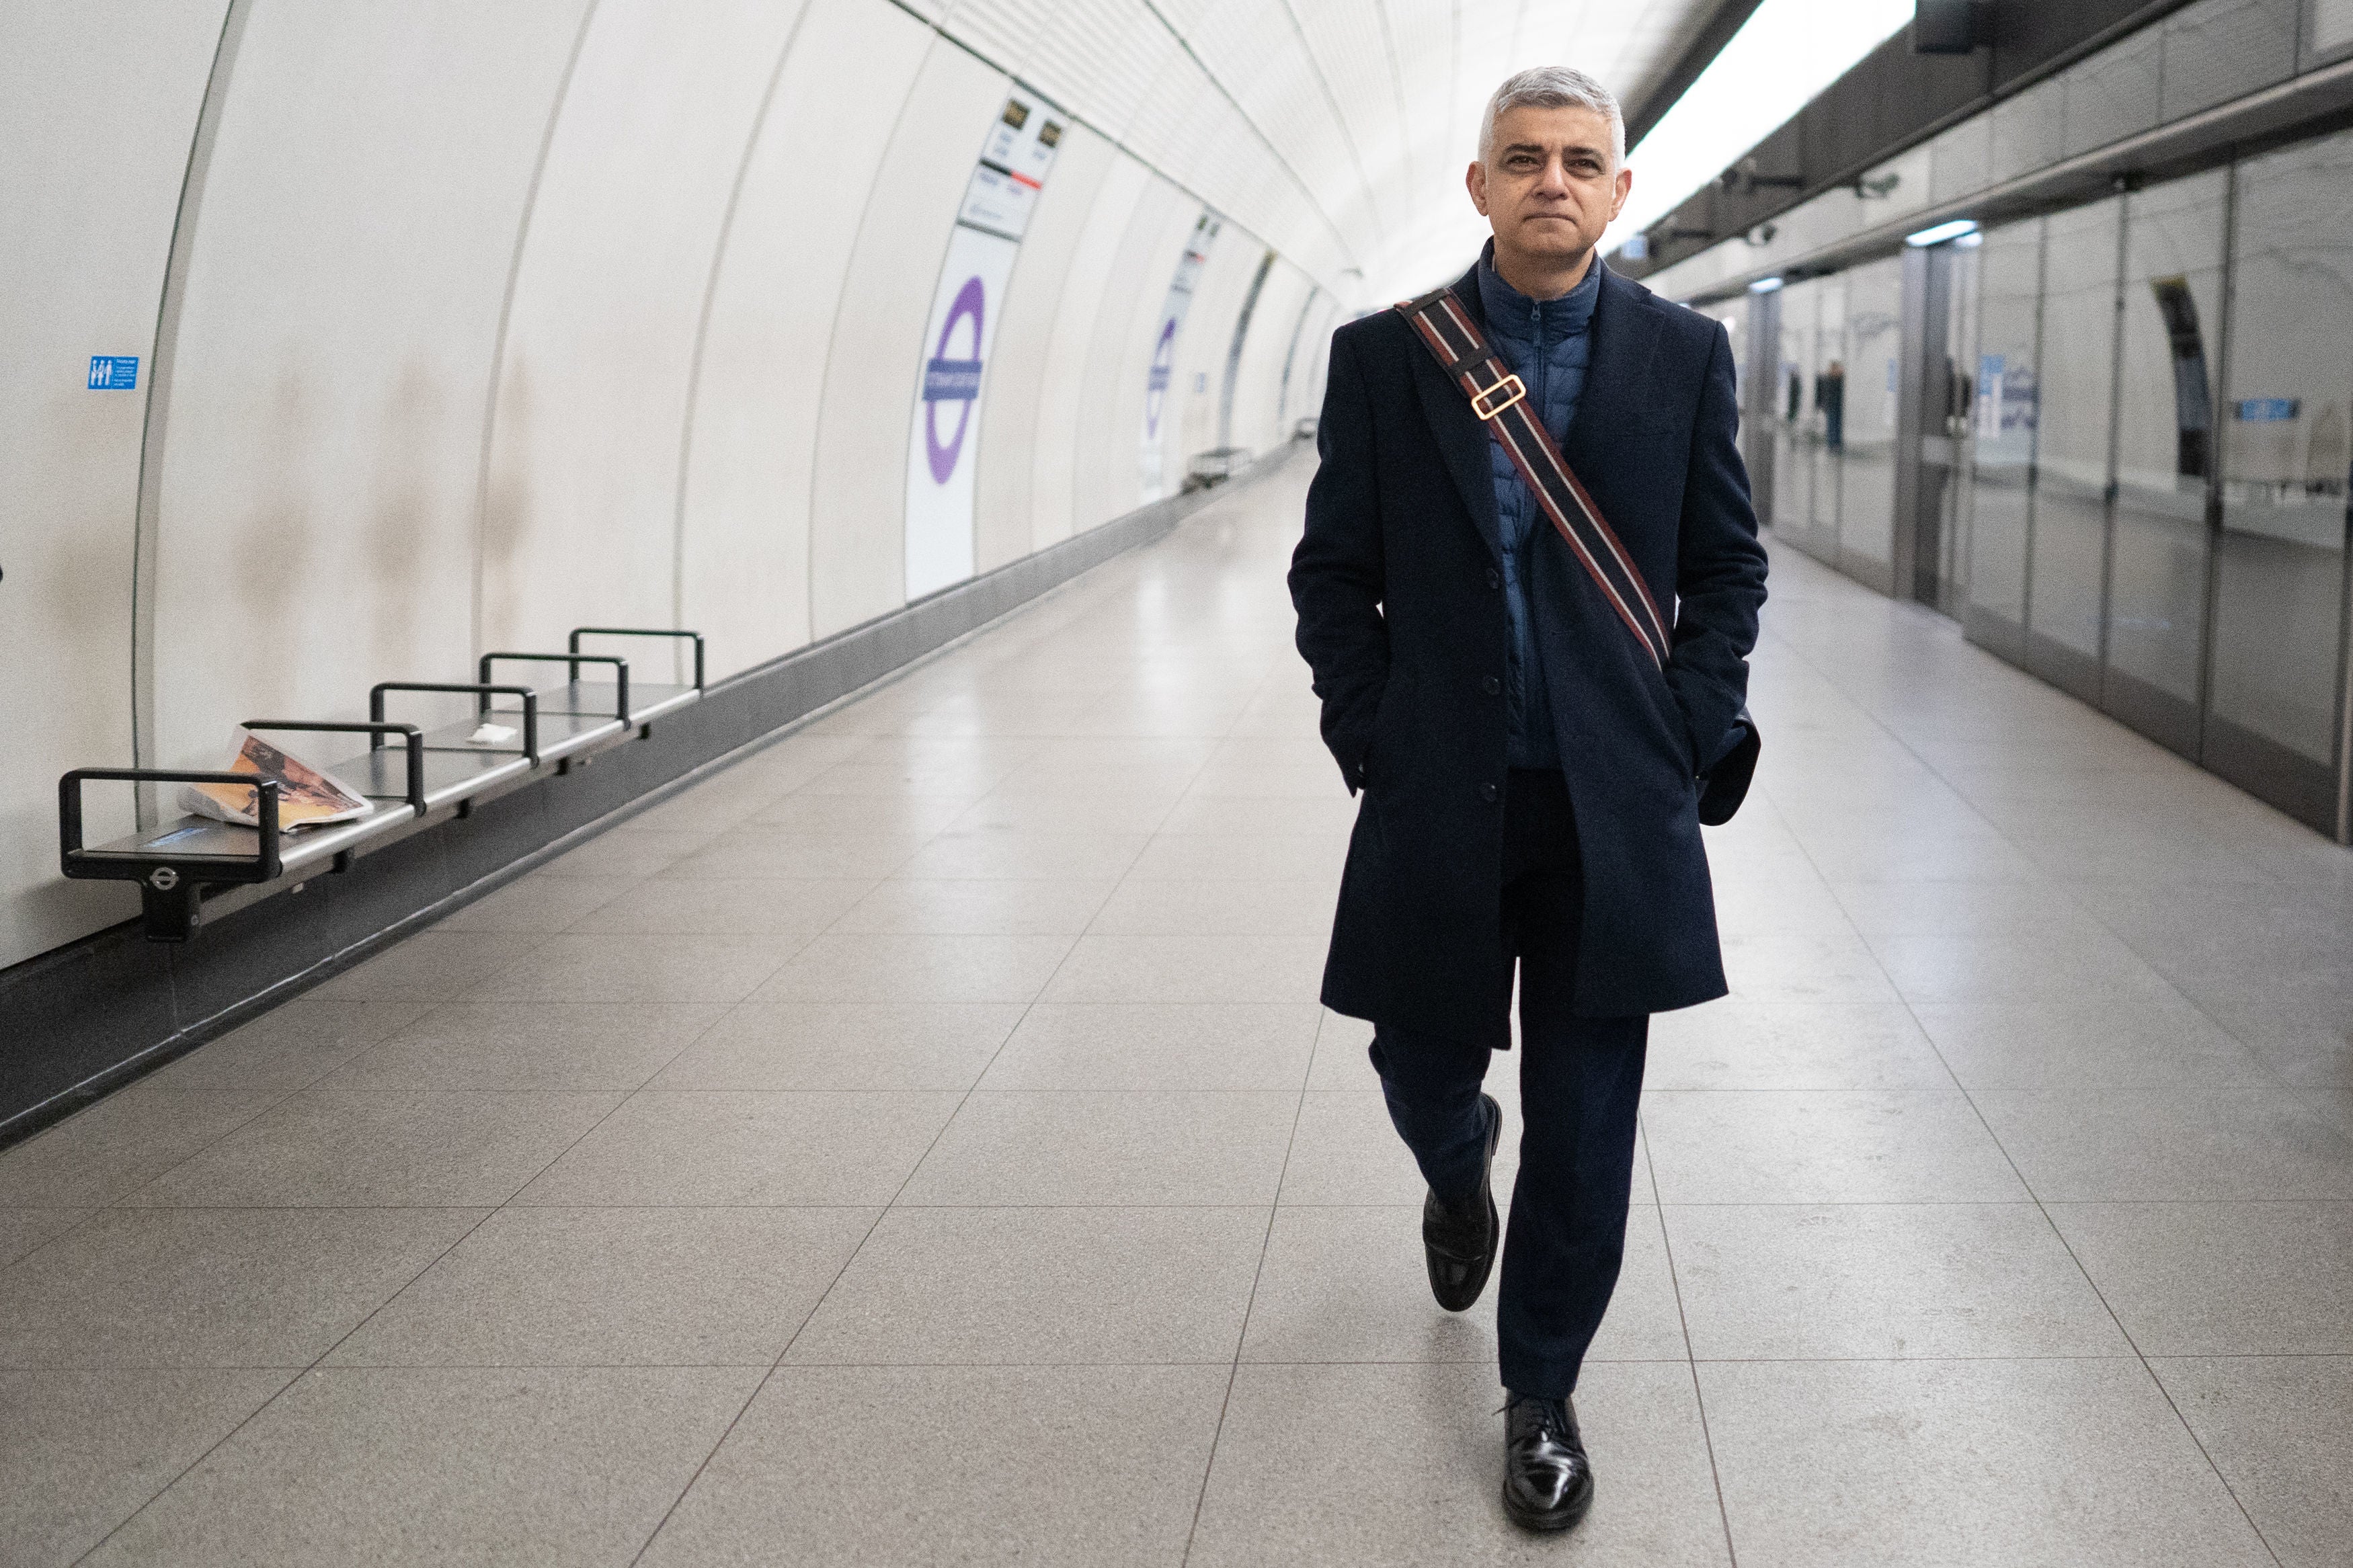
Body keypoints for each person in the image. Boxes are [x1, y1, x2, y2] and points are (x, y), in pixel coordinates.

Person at [1287, 65, 1767, 1533]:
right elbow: (1332, 574)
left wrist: (1683, 735)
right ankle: (1450, 1164)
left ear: (1618, 190)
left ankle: (1542, 1393)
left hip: (1609, 810)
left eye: (1577, 159)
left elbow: (1726, 566)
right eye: (1522, 158)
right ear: (1480, 188)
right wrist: (1371, 730)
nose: (1550, 179)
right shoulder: (1386, 360)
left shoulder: (1682, 356)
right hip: (1438, 788)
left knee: (1587, 1115)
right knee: (1416, 1058)